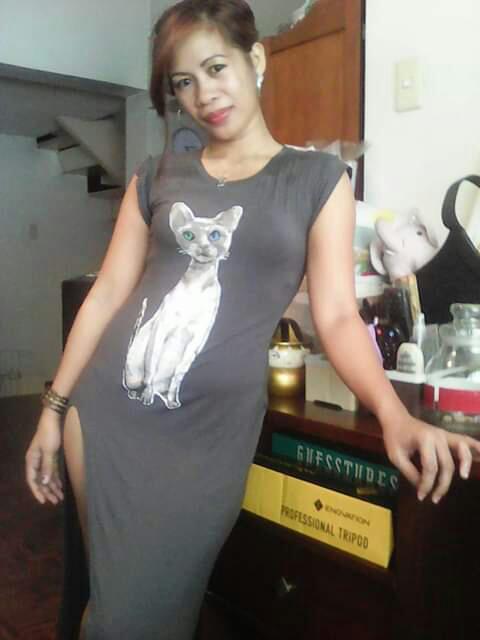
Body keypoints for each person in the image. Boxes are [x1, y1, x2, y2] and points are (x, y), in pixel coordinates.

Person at [25, 1, 480, 639]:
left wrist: (393, 414)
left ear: (256, 58)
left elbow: (337, 317)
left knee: (155, 611)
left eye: (216, 68)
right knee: (122, 611)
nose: (204, 94)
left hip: (212, 438)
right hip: (109, 416)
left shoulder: (317, 179)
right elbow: (105, 296)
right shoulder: (157, 176)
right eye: (184, 82)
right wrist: (53, 407)